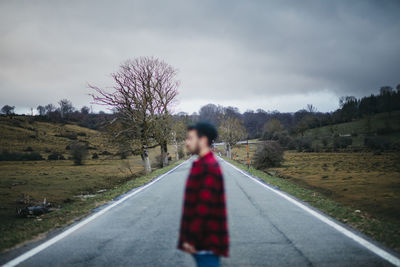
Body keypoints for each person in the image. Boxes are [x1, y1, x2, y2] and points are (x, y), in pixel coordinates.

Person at [177, 121, 229, 267]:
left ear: (203, 140)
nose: (187, 143)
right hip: (203, 241)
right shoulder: (201, 164)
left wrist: (191, 239)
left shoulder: (209, 167)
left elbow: (204, 208)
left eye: (190, 138)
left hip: (206, 242)